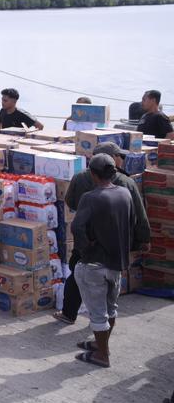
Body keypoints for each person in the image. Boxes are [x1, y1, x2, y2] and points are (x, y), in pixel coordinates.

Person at [54, 142, 150, 325]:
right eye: (118, 156)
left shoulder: (80, 178)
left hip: (88, 242)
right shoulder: (126, 183)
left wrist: (85, 239)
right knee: (109, 284)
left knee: (77, 273)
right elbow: (138, 214)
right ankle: (103, 325)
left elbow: (70, 202)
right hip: (117, 242)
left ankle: (69, 313)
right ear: (110, 159)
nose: (121, 160)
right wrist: (143, 239)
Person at [71, 154, 138, 368]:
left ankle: (102, 355)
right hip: (116, 262)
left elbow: (77, 227)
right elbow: (133, 222)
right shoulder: (125, 193)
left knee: (98, 313)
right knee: (111, 308)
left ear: (93, 174)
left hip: (95, 264)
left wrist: (86, 248)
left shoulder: (90, 197)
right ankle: (102, 346)